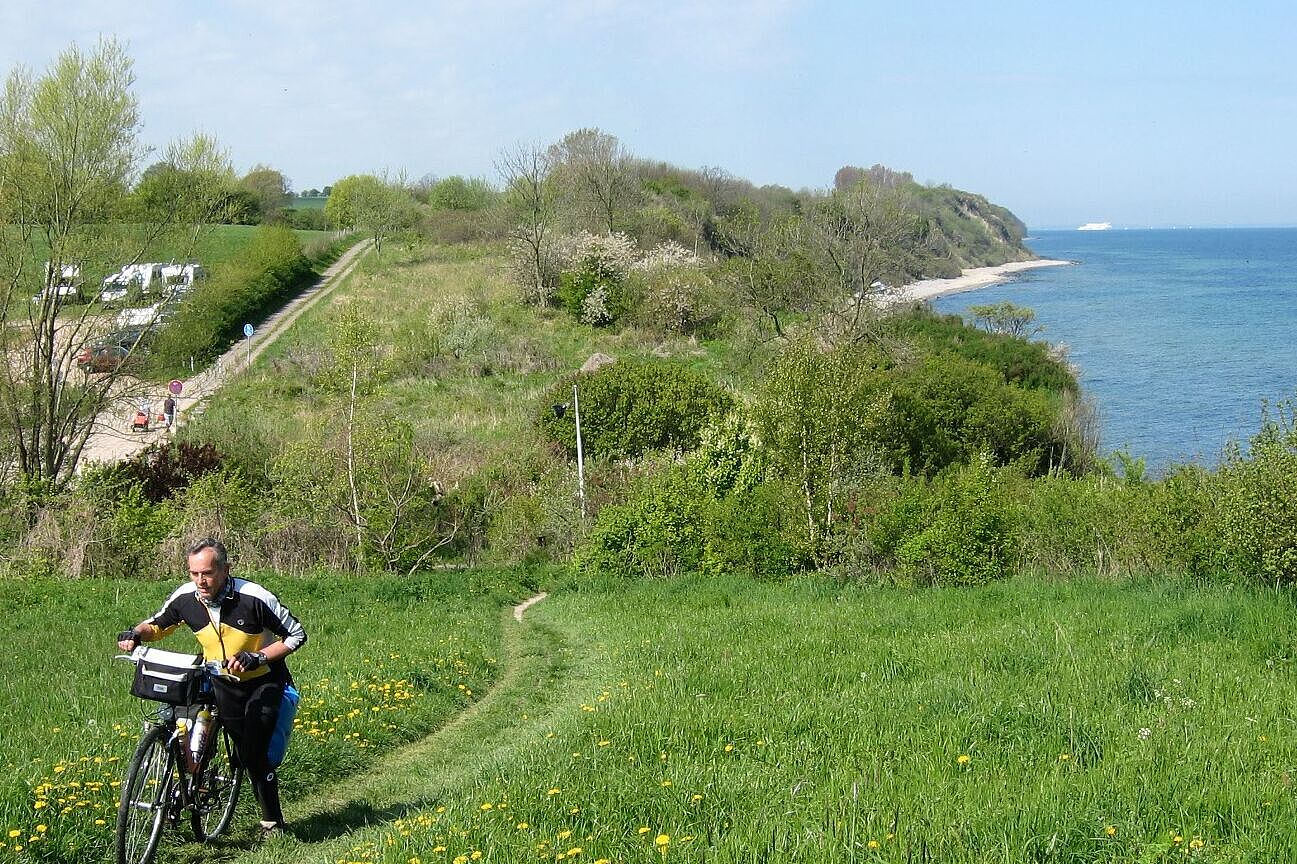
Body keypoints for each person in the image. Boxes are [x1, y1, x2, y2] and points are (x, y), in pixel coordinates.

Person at [116, 538, 306, 835]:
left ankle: (272, 822)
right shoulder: (186, 597)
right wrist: (135, 633)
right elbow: (157, 624)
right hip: (222, 682)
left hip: (263, 682)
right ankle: (192, 789)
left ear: (225, 569)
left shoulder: (254, 597)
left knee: (253, 754)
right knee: (192, 729)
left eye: (207, 573)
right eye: (194, 573)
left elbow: (295, 635)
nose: (200, 581)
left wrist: (257, 657)